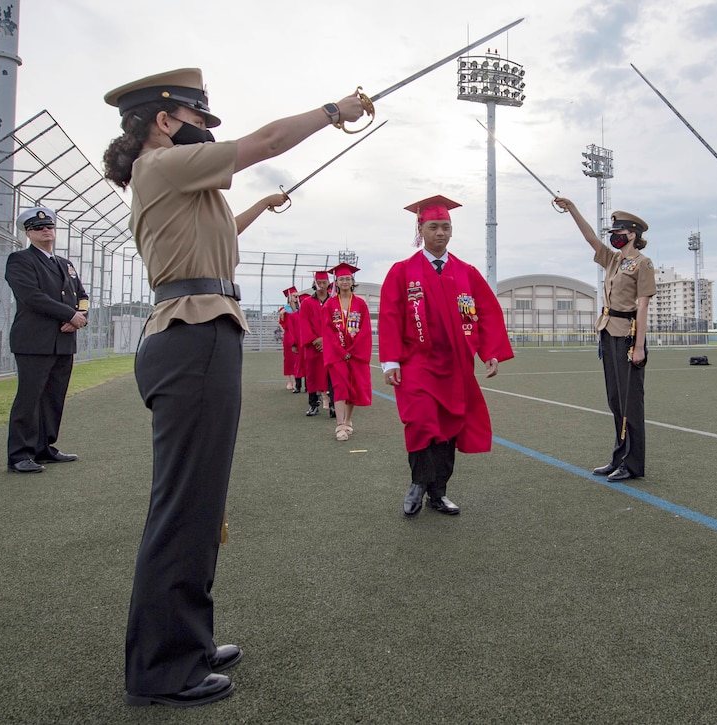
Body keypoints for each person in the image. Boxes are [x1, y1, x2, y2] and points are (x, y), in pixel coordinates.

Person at [103, 67, 363, 707]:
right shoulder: (162, 166)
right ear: (165, 120)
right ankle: (162, 669)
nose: (204, 130)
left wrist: (260, 206)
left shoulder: (172, 177)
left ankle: (184, 642)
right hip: (193, 339)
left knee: (198, 503)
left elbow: (219, 240)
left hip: (201, 333)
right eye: (195, 117)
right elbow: (269, 140)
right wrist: (333, 108)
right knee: (186, 506)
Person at [379, 195, 514, 516]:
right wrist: (391, 360)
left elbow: (487, 312)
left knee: (448, 428)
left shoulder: (466, 272)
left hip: (455, 366)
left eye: (445, 227)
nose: (440, 232)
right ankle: (418, 484)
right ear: (420, 229)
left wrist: (489, 352)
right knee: (421, 422)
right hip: (416, 363)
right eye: (433, 226)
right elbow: (390, 315)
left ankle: (438, 492)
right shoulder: (402, 272)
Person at [553, 198, 656, 483]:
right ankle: (619, 457)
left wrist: (638, 347)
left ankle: (633, 464)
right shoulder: (613, 260)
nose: (613, 237)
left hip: (628, 335)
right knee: (615, 400)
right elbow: (589, 238)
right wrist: (572, 208)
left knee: (630, 402)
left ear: (632, 234)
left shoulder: (642, 264)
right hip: (608, 330)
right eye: (612, 232)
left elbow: (644, 306)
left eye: (618, 232)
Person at [4, 206, 89, 473]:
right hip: (35, 342)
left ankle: (44, 448)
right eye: (39, 228)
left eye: (49, 227)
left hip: (63, 341)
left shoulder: (65, 264)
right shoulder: (20, 260)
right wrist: (69, 314)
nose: (46, 231)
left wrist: (82, 315)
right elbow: (32, 296)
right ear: (28, 233)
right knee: (29, 399)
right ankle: (19, 454)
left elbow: (82, 295)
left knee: (53, 398)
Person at [322, 263, 372, 440]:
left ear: (352, 281)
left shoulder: (360, 304)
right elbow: (328, 331)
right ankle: (340, 426)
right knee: (340, 387)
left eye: (348, 279)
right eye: (341, 279)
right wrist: (341, 352)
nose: (345, 281)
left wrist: (353, 350)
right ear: (336, 281)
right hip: (337, 355)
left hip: (356, 353)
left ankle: (349, 421)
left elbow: (365, 330)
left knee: (353, 388)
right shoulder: (329, 305)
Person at [299, 270, 333, 417]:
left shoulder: (333, 302)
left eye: (324, 282)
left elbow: (335, 323)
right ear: (315, 284)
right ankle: (313, 405)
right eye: (319, 283)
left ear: (328, 284)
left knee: (331, 375)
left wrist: (325, 339)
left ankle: (333, 405)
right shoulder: (307, 303)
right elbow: (304, 323)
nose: (322, 285)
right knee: (312, 375)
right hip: (313, 346)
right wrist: (316, 340)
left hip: (330, 345)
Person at [279, 286, 305, 392]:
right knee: (288, 359)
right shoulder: (284, 309)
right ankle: (289, 381)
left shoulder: (300, 308)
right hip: (289, 336)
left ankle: (296, 381)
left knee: (297, 359)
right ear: (289, 297)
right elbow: (282, 324)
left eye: (297, 296)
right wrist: (282, 315)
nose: (296, 298)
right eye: (294, 296)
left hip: (299, 336)